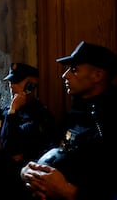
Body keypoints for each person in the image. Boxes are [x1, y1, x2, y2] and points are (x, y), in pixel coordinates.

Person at [20, 41, 117, 200]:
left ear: (97, 75)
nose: (65, 75)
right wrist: (27, 170)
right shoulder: (76, 112)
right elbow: (51, 147)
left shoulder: (110, 117)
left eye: (74, 70)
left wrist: (70, 192)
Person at [0, 63, 59, 199]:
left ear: (31, 86)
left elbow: (12, 148)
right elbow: (3, 146)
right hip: (5, 180)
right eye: (10, 82)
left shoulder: (40, 115)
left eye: (16, 81)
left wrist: (13, 111)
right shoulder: (7, 111)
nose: (11, 86)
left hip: (25, 185)